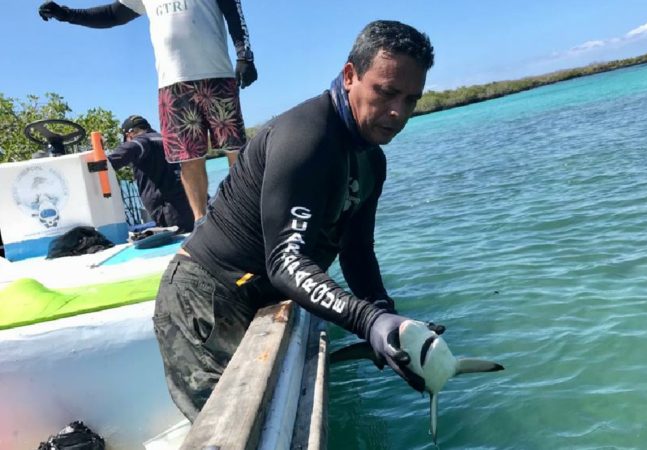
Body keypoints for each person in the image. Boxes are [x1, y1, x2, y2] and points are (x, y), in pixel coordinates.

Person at [150, 20, 442, 420]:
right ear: (350, 75)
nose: (398, 112)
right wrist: (366, 319)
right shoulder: (306, 137)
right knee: (232, 432)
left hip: (259, 294)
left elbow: (357, 251)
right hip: (207, 298)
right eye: (387, 92)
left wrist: (387, 316)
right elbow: (286, 262)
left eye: (411, 99)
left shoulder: (372, 160)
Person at [38, 0, 257, 222]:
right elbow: (112, 15)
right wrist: (67, 14)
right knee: (188, 159)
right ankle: (201, 222)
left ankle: (249, 217)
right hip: (172, 84)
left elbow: (233, 10)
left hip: (217, 76)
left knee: (235, 150)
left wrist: (244, 55)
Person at [107, 115, 194, 233]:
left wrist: (104, 163)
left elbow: (129, 149)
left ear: (130, 134)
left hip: (170, 210)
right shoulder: (165, 139)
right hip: (189, 202)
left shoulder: (141, 141)